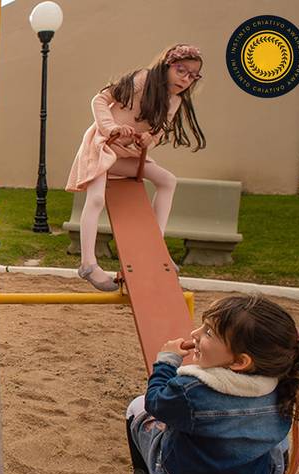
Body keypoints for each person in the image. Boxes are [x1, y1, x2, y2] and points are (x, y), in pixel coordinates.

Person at [107, 295, 299, 474]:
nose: (195, 334)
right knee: (277, 442)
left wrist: (166, 361)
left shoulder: (191, 390)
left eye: (208, 332)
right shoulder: (283, 388)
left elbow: (155, 402)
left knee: (139, 406)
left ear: (240, 361)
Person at [65, 44, 206, 291]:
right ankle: (88, 262)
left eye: (193, 75)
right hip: (103, 147)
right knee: (96, 199)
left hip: (128, 157)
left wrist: (148, 139)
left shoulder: (174, 100)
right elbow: (101, 99)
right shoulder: (142, 79)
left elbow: (158, 132)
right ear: (166, 66)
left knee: (167, 180)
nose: (186, 79)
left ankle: (155, 248)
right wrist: (111, 128)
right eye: (181, 71)